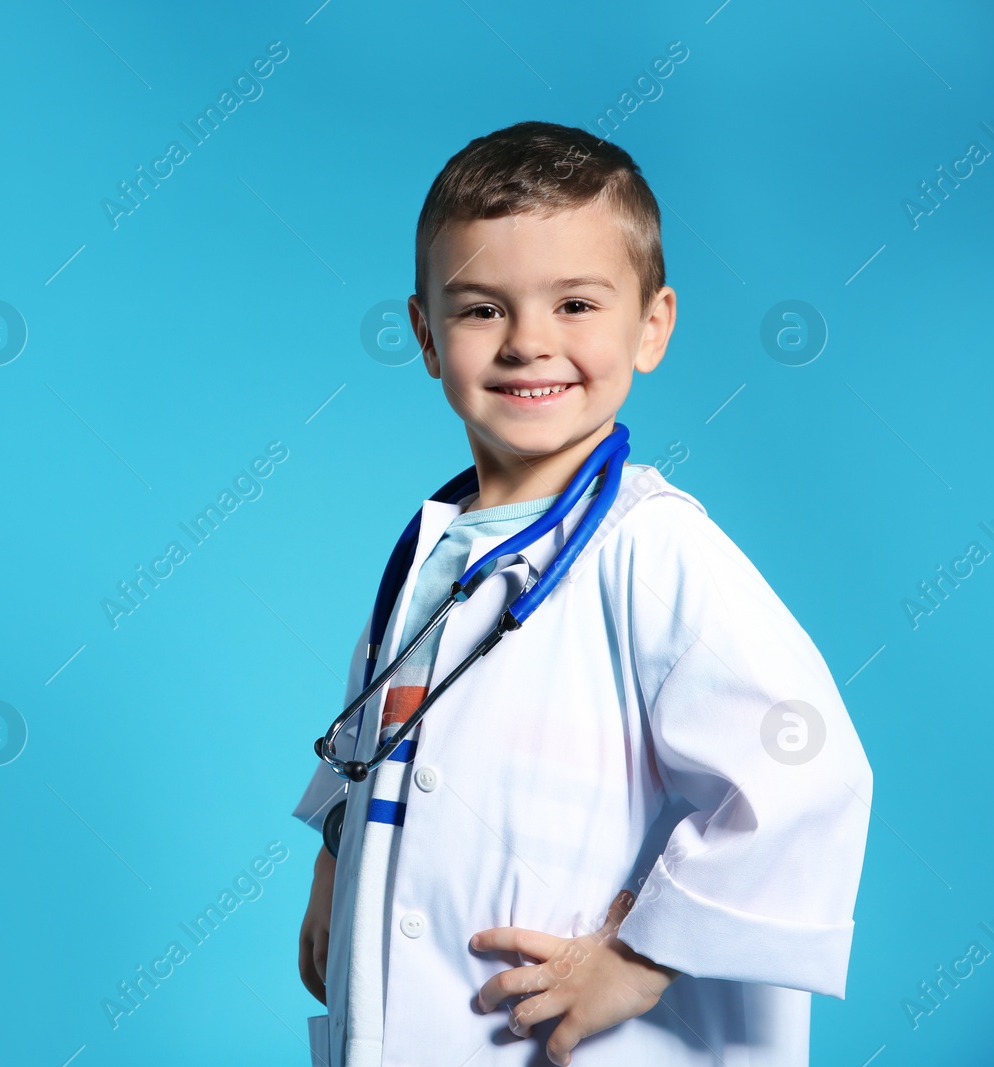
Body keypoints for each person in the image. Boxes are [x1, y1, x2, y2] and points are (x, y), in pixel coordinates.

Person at [291, 121, 873, 1067]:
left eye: (574, 303)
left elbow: (806, 769)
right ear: (426, 336)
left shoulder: (656, 546)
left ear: (652, 326)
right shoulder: (430, 551)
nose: (528, 343)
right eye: (482, 309)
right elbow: (384, 729)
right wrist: (335, 859)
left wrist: (641, 956)